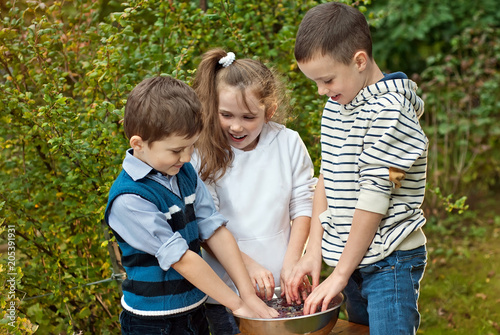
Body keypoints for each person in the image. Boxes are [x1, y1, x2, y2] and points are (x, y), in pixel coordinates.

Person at [285, 2, 429, 335]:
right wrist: (314, 251)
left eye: (327, 80)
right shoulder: (337, 107)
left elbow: (374, 201)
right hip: (352, 260)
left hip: (389, 262)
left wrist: (339, 274)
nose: (322, 91)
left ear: (359, 61)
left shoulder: (392, 114)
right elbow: (326, 179)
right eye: (316, 83)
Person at [104, 75, 278, 335]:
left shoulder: (183, 172)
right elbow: (183, 260)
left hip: (194, 309)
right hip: (154, 323)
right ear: (138, 144)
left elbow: (215, 230)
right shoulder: (130, 199)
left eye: (191, 146)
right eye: (176, 150)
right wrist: (237, 305)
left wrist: (247, 293)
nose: (187, 157)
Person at [191, 49, 317, 335]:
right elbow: (205, 225)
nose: (236, 126)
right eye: (226, 115)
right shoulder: (201, 154)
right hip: (227, 294)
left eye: (248, 117)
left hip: (286, 289)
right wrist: (247, 266)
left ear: (269, 111)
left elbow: (303, 205)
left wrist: (292, 262)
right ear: (214, 107)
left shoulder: (288, 143)